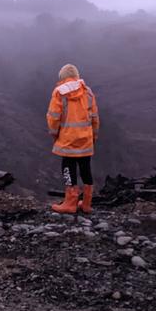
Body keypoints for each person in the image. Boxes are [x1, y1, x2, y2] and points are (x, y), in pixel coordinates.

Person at [47, 64, 100, 214]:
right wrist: (94, 135)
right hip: (86, 139)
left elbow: (53, 117)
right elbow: (95, 118)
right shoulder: (88, 92)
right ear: (76, 76)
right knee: (86, 168)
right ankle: (87, 204)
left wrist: (54, 134)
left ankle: (70, 203)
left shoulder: (59, 93)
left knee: (68, 167)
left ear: (62, 77)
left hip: (68, 139)